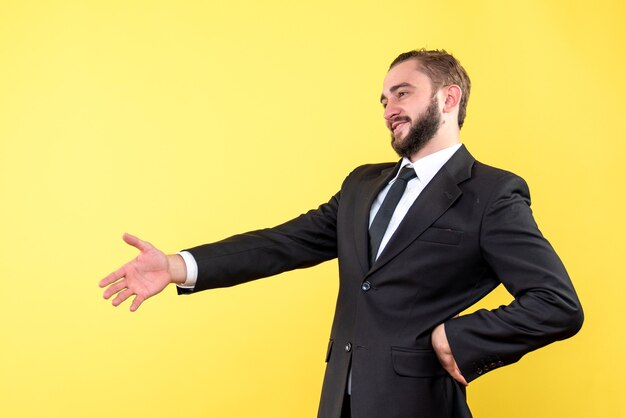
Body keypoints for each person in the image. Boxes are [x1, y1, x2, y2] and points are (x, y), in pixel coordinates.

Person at [100, 49, 583, 418]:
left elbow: (556, 303)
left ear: (449, 97)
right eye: (383, 98)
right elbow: (284, 242)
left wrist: (457, 338)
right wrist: (177, 266)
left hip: (419, 404)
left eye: (403, 92)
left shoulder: (492, 193)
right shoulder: (362, 184)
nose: (389, 106)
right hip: (340, 402)